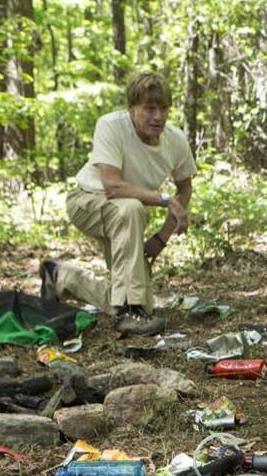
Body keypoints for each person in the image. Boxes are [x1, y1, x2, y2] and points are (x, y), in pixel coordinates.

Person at [40, 71, 196, 335]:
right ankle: (129, 312)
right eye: (148, 108)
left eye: (163, 109)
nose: (157, 116)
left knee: (143, 301)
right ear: (131, 109)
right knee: (131, 207)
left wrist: (160, 238)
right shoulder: (111, 125)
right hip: (87, 201)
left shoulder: (175, 140)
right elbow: (112, 186)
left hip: (126, 217)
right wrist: (164, 200)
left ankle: (61, 276)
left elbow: (185, 189)